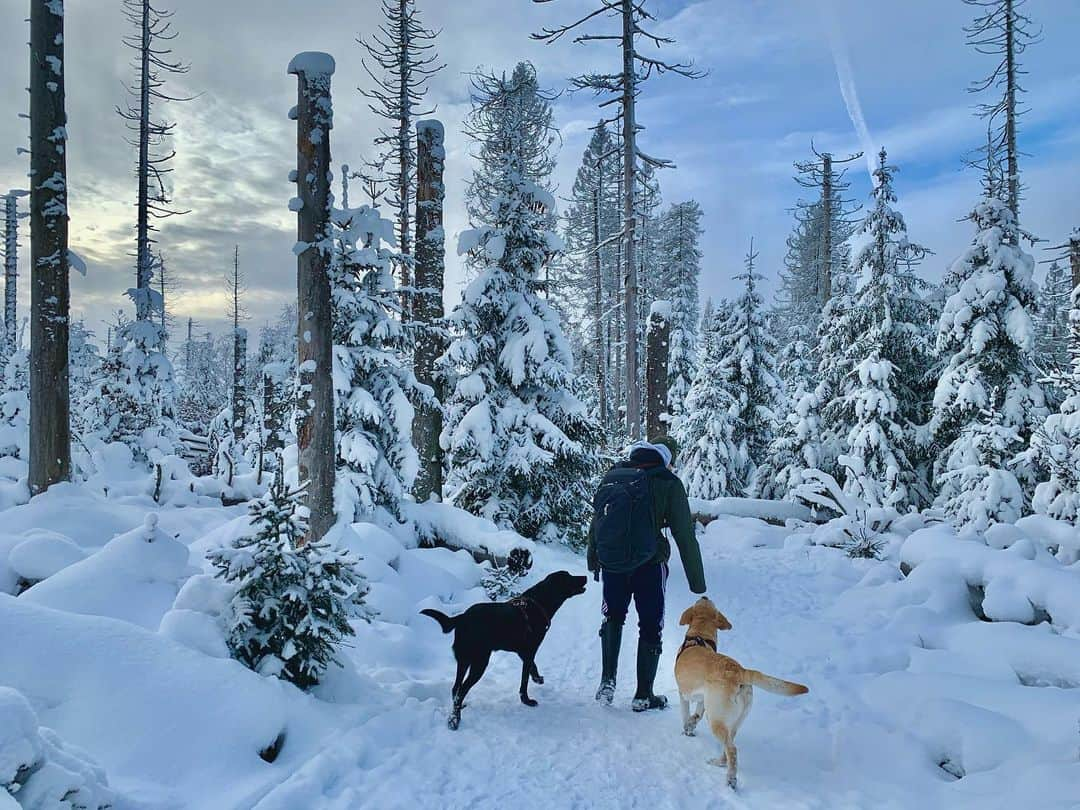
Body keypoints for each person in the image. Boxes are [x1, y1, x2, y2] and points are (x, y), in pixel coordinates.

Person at [586, 435, 707, 711]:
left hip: (613, 565)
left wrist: (593, 558)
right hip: (649, 566)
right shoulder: (668, 482)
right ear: (668, 458)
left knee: (612, 616)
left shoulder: (616, 476)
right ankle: (643, 694)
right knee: (651, 625)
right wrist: (697, 584)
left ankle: (607, 680)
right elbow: (684, 534)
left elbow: (597, 522)